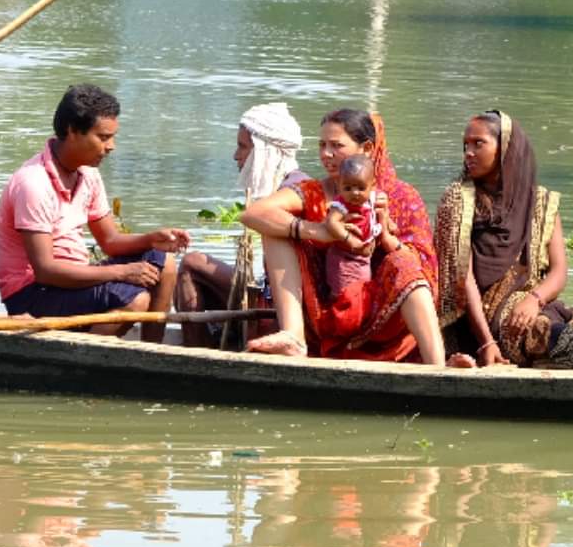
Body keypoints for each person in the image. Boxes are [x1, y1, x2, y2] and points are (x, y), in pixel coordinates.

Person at [239, 108, 448, 365]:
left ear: (367, 149)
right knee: (275, 230)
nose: (326, 155)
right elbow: (254, 213)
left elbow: (424, 263)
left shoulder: (400, 196)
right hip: (325, 310)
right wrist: (319, 231)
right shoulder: (315, 191)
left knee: (404, 263)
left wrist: (383, 236)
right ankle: (293, 336)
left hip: (384, 313)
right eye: (322, 145)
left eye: (336, 146)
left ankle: (437, 366)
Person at [0, 84, 191, 340]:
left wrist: (151, 239)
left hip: (69, 280)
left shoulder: (88, 174)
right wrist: (123, 272)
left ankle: (153, 351)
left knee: (166, 263)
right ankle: (83, 362)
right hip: (33, 293)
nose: (111, 147)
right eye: (103, 137)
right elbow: (45, 270)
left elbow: (110, 241)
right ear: (72, 131)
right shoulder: (33, 183)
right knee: (135, 300)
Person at [432, 110, 573, 369]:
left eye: (479, 144)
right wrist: (487, 343)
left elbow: (559, 271)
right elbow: (461, 279)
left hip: (533, 303)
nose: (468, 152)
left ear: (506, 149)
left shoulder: (541, 201)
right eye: (466, 145)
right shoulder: (457, 200)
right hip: (484, 315)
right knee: (566, 344)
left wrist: (534, 299)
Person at [175, 102, 306, 347]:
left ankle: (196, 357)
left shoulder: (292, 191)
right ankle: (205, 348)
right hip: (273, 299)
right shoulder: (292, 184)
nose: (237, 156)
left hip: (284, 309)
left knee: (192, 263)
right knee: (192, 265)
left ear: (265, 151)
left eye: (243, 147)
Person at [316, 154, 383, 338]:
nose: (354, 193)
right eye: (348, 188)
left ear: (372, 185)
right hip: (343, 259)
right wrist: (349, 240)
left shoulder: (372, 200)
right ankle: (338, 328)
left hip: (363, 259)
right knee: (343, 294)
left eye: (361, 188)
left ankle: (354, 327)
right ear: (340, 186)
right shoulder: (341, 204)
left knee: (361, 291)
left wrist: (388, 223)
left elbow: (378, 218)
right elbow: (331, 223)